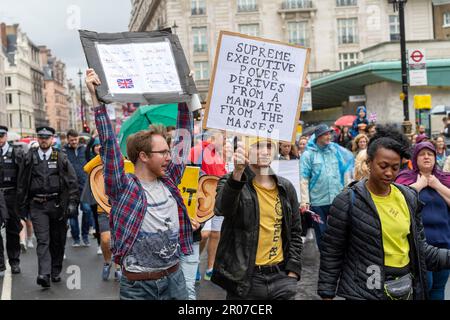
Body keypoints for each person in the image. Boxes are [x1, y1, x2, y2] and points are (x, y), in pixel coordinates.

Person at [86, 68, 196, 300]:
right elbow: (109, 146)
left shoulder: (169, 180)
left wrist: (186, 93)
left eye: (169, 152)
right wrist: (96, 99)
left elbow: (184, 138)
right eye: (163, 152)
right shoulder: (123, 188)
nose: (170, 157)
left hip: (175, 281)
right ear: (143, 156)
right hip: (138, 288)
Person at [318, 127, 450, 300]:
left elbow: (421, 249)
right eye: (383, 166)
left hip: (404, 290)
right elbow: (332, 252)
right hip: (363, 292)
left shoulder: (408, 197)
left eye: (395, 167)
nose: (389, 173)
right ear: (369, 163)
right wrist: (327, 294)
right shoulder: (347, 200)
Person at [211, 137, 302, 300]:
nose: (265, 151)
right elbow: (222, 209)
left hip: (281, 278)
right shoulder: (230, 181)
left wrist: (292, 272)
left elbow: (295, 231)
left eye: (269, 146)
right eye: (258, 146)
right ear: (245, 150)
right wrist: (237, 173)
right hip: (246, 280)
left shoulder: (285, 187)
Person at [17, 126, 79, 288]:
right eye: (41, 137)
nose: (44, 140)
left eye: (47, 137)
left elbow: (72, 181)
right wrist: (21, 206)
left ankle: (55, 270)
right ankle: (44, 274)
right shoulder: (29, 157)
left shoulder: (60, 157)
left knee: (57, 240)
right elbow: (22, 182)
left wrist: (72, 203)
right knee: (43, 240)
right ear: (38, 138)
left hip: (57, 205)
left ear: (53, 139)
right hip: (37, 205)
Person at [395, 141, 450, 300]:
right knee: (425, 287)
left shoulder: (444, 178)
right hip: (419, 246)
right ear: (415, 158)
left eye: (430, 154)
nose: (426, 157)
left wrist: (437, 185)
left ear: (435, 158)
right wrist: (419, 185)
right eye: (422, 154)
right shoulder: (405, 178)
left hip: (444, 243)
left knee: (439, 288)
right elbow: (399, 202)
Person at [300, 124, 354, 250]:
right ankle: (325, 259)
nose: (329, 136)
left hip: (337, 199)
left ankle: (339, 257)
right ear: (318, 136)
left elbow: (344, 171)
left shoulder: (336, 151)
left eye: (330, 133)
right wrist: (304, 201)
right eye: (326, 134)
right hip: (318, 202)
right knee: (321, 232)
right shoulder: (308, 155)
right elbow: (304, 179)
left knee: (339, 231)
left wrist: (347, 191)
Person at [189, 129, 227, 281]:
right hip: (202, 200)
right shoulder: (197, 150)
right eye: (222, 137)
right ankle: (195, 263)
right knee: (203, 234)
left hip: (219, 198)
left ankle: (210, 268)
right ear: (212, 138)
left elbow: (223, 173)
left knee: (216, 234)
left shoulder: (219, 154)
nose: (224, 141)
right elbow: (188, 171)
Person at [63, 129, 93, 247]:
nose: (74, 142)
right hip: (70, 188)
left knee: (87, 210)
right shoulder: (64, 151)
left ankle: (85, 236)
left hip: (84, 186)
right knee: (72, 214)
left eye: (75, 139)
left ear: (78, 138)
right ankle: (76, 238)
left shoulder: (84, 149)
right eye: (71, 140)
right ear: (68, 139)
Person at [0, 125, 24, 276]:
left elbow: (22, 176)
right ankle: (0, 264)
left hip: (11, 196)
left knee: (13, 230)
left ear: (6, 136)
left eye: (1, 136)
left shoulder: (16, 153)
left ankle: (14, 261)